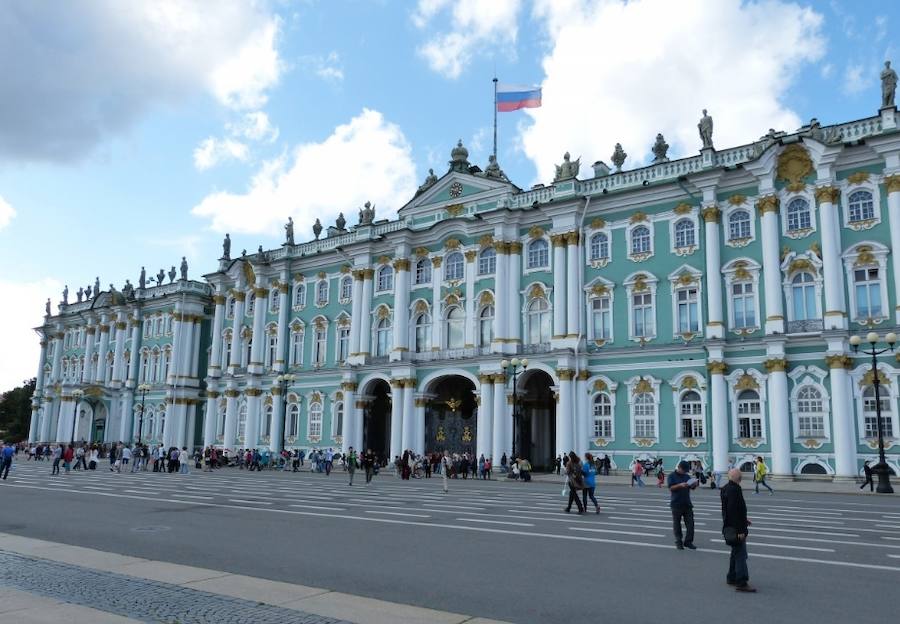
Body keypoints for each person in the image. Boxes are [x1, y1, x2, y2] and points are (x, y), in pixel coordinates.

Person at [721, 468, 755, 592]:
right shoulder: (735, 489)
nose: (741, 478)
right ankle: (741, 582)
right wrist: (740, 529)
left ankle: (731, 577)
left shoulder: (725, 488)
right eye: (740, 476)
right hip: (736, 528)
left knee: (735, 553)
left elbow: (732, 510)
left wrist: (744, 520)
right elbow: (733, 510)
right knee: (741, 555)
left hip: (730, 525)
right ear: (738, 478)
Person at [668, 460, 699, 550]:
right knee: (677, 524)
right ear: (679, 468)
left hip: (687, 503)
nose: (685, 472)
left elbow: (691, 488)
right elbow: (671, 488)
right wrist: (680, 485)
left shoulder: (686, 476)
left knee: (691, 524)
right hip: (676, 503)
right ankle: (678, 541)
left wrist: (694, 485)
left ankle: (688, 542)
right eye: (684, 470)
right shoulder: (672, 476)